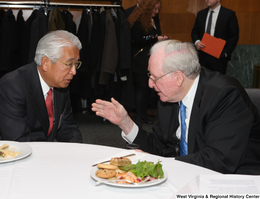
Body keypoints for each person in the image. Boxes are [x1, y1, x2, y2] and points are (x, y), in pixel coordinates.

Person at [92, 39, 260, 175]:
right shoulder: (169, 96)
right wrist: (126, 123)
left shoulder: (224, 95)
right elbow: (161, 146)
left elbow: (219, 160)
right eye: (149, 75)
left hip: (234, 179)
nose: (150, 84)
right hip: (190, 173)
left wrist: (166, 164)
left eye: (155, 77)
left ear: (178, 78)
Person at [0, 30, 83, 143]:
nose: (74, 71)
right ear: (46, 63)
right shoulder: (11, 87)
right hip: (0, 156)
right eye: (69, 64)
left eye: (76, 64)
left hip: (39, 153)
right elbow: (20, 141)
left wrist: (79, 154)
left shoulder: (61, 85)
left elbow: (68, 129)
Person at [127, 0, 169, 127]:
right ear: (147, 8)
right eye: (154, 9)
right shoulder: (138, 19)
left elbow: (157, 32)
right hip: (138, 58)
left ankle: (144, 114)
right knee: (141, 87)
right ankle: (138, 116)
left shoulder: (153, 18)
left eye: (157, 9)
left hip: (150, 58)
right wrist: (155, 38)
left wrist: (160, 38)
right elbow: (136, 39)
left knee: (147, 89)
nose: (156, 12)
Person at [191, 0, 239, 75]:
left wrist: (225, 53)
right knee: (203, 82)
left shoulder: (229, 14)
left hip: (219, 58)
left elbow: (234, 36)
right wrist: (197, 42)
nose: (207, 0)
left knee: (218, 83)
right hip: (203, 56)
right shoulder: (201, 14)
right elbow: (194, 32)